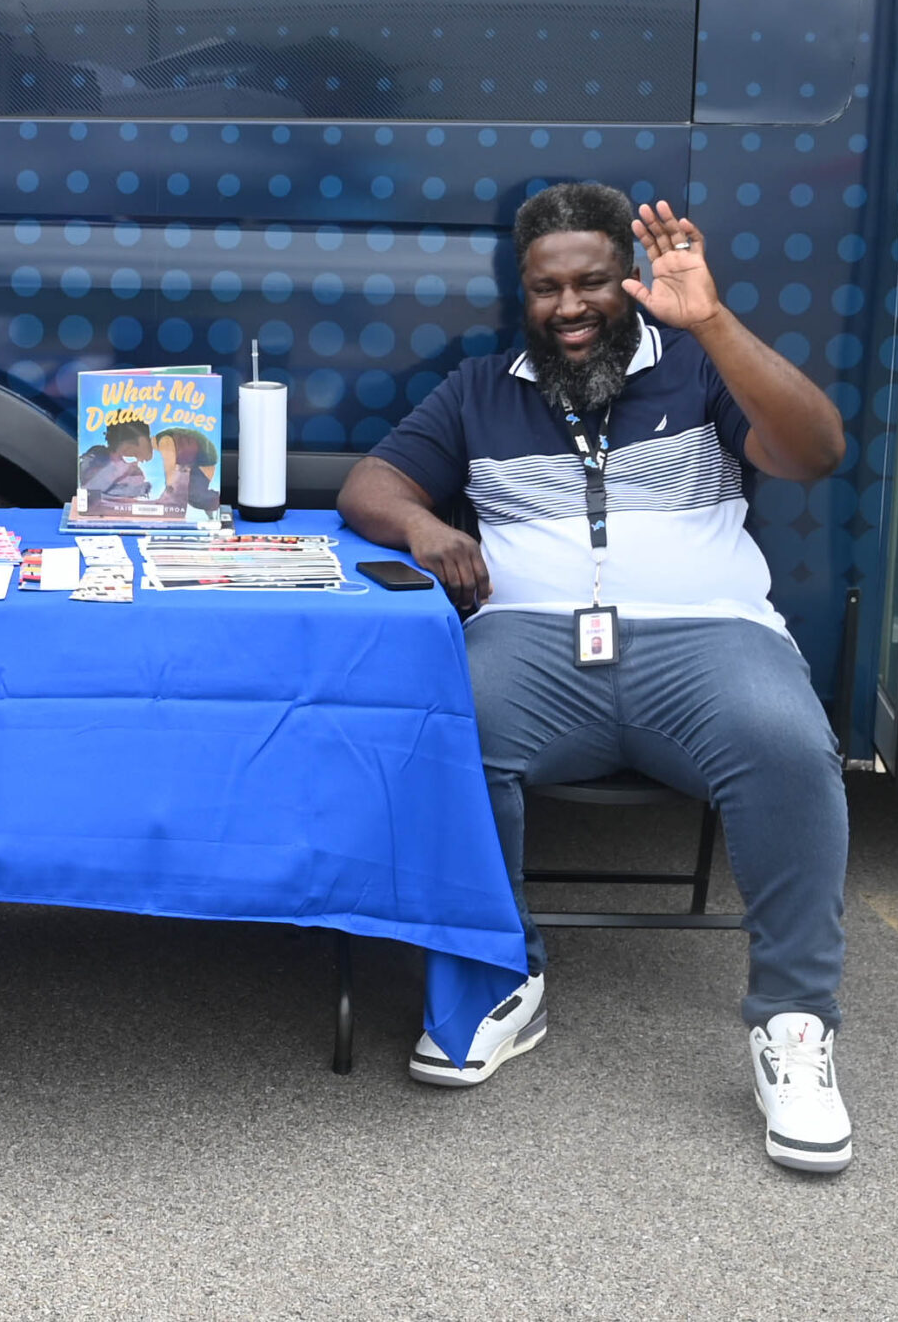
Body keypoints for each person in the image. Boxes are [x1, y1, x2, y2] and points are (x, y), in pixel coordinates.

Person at [338, 182, 854, 1175]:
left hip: (707, 638)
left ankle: (793, 1025)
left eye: (591, 282)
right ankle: (499, 977)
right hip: (533, 644)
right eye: (546, 288)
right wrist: (425, 526)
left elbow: (817, 450)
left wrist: (711, 320)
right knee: (445, 733)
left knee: (787, 743)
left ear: (630, 278)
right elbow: (373, 483)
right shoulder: (481, 389)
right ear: (522, 292)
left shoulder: (702, 369)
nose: (569, 307)